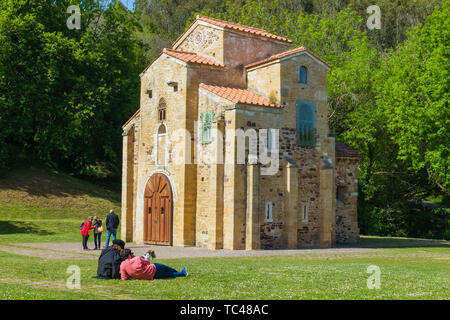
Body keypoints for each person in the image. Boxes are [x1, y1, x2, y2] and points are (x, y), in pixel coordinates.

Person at [119, 248, 188, 281]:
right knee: (167, 269)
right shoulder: (137, 258)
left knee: (168, 274)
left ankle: (180, 272)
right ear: (129, 256)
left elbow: (124, 278)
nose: (133, 254)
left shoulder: (122, 265)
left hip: (151, 277)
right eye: (131, 253)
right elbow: (148, 263)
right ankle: (181, 272)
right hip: (154, 269)